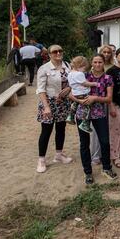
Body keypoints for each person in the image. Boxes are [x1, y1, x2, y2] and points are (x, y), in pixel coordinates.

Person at [69, 54, 118, 184]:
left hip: (99, 113)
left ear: (103, 63)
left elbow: (108, 98)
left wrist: (94, 98)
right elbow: (70, 92)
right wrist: (80, 100)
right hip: (82, 113)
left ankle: (106, 168)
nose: (97, 64)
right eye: (95, 62)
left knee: (105, 141)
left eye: (100, 62)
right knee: (84, 143)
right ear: (91, 63)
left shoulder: (107, 78)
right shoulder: (82, 75)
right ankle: (88, 172)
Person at [35, 45, 73, 173]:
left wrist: (69, 88)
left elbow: (73, 81)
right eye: (54, 51)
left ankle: (59, 154)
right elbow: (40, 89)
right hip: (49, 103)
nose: (58, 53)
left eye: (60, 50)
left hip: (63, 103)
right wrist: (46, 107)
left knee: (61, 129)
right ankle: (41, 160)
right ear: (49, 54)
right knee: (46, 131)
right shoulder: (44, 68)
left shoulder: (67, 65)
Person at [66, 56, 99, 133]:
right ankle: (84, 123)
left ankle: (70, 116)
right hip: (83, 93)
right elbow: (84, 83)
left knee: (75, 103)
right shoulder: (79, 74)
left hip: (75, 93)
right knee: (87, 108)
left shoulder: (70, 73)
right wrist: (94, 83)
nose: (85, 70)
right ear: (79, 65)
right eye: (84, 67)